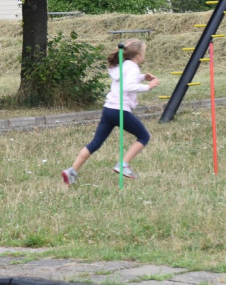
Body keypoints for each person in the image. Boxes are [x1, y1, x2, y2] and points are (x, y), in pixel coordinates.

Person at [62, 40, 160, 184]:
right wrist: (148, 86)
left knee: (95, 143)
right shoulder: (132, 67)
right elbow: (128, 86)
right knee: (144, 136)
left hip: (109, 110)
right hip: (120, 110)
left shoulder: (125, 65)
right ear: (138, 55)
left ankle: (72, 171)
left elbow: (125, 80)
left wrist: (143, 77)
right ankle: (123, 164)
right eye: (144, 53)